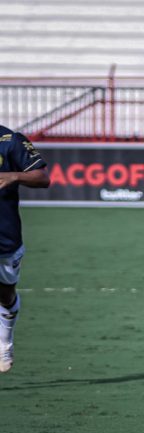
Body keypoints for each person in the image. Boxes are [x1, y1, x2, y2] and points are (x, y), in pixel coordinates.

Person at [0, 125, 50, 372]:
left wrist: (14, 176)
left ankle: (5, 341)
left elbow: (43, 178)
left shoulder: (9, 140)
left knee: (5, 295)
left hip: (5, 236)